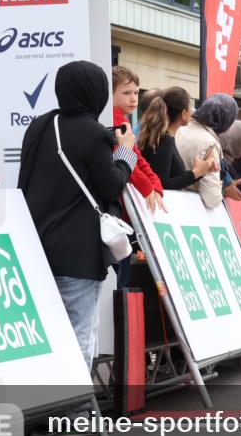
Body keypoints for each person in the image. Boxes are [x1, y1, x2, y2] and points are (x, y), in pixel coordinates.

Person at [18, 61, 137, 372]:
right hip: (79, 252)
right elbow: (111, 186)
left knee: (47, 334)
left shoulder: (39, 126)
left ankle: (47, 407)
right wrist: (126, 154)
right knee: (79, 333)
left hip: (37, 246)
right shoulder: (94, 133)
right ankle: (76, 413)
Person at [138, 87, 218, 190]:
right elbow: (161, 183)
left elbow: (172, 176)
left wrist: (201, 171)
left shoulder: (164, 137)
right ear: (183, 113)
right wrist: (196, 173)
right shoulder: (164, 140)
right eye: (190, 106)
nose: (192, 111)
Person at [112, 67, 164, 213]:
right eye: (126, 93)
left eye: (136, 92)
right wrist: (148, 187)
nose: (134, 98)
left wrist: (154, 183)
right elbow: (124, 159)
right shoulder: (112, 122)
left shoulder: (122, 120)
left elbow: (136, 157)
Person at [175, 93, 238, 208]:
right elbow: (212, 199)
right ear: (226, 120)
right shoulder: (210, 144)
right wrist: (223, 190)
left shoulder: (179, 128)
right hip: (187, 210)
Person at [218, 120, 241, 202]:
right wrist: (225, 192)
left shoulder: (224, 162)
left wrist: (235, 187)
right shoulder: (217, 160)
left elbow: (226, 181)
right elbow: (207, 190)